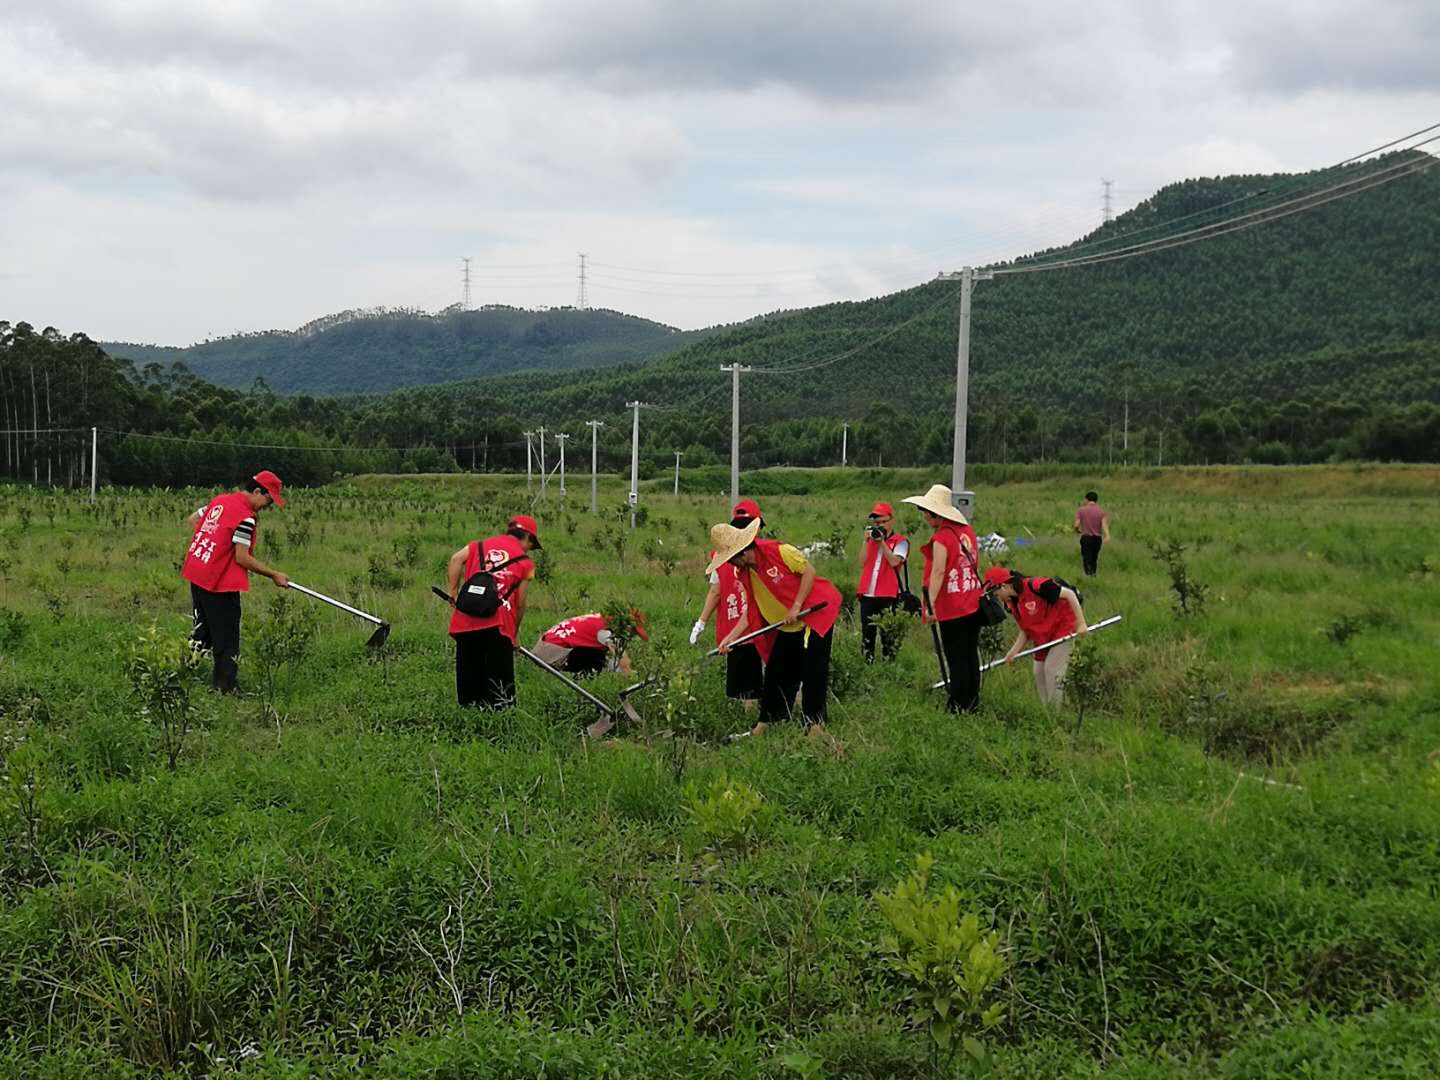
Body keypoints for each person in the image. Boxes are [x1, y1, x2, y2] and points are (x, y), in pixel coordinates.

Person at [708, 518, 842, 734]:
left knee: (812, 671)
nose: (731, 565)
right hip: (787, 625)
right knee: (777, 671)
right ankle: (768, 722)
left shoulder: (780, 552)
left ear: (741, 553)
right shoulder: (745, 573)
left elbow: (809, 572)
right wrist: (731, 637)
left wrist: (796, 606)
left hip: (814, 615)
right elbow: (752, 610)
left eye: (731, 560)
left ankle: (815, 725)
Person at [182, 470, 290, 693]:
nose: (266, 508)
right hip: (219, 582)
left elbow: (193, 519)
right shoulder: (246, 517)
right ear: (258, 491)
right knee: (226, 634)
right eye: (268, 502)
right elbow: (242, 557)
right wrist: (274, 575)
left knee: (202, 628)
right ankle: (225, 687)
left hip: (198, 570)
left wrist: (215, 540)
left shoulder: (220, 500)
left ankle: (184, 673)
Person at [445, 514, 540, 709]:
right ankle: (500, 723)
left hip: (465, 619)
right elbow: (521, 603)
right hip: (498, 624)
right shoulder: (527, 564)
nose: (530, 549)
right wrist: (514, 634)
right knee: (500, 684)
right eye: (532, 544)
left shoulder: (478, 546)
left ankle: (470, 718)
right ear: (528, 538)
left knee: (469, 677)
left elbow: (456, 559)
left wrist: (453, 591)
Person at [903, 483, 983, 713]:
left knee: (956, 658)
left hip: (952, 606)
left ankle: (957, 705)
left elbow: (938, 572)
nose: (924, 516)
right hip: (972, 602)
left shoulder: (942, 539)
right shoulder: (967, 532)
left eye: (925, 512)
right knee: (970, 656)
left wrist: (928, 604)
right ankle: (972, 702)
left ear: (935, 514)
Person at [691, 498, 770, 709]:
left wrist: (702, 621)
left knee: (750, 686)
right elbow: (716, 591)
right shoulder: (760, 551)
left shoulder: (725, 555)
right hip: (755, 627)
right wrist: (701, 622)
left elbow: (715, 591)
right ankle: (766, 721)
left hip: (744, 629)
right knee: (764, 679)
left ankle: (763, 720)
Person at [984, 567, 1088, 706]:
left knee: (1052, 670)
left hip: (1062, 628)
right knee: (1039, 672)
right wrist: (1014, 651)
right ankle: (1048, 715)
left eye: (996, 594)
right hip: (1042, 637)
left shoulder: (1038, 586)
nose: (997, 599)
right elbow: (1025, 629)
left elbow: (1069, 595)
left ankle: (1056, 716)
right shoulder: (1012, 604)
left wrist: (1081, 623)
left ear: (1003, 586)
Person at [856, 500, 909, 663]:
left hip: (888, 594)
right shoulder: (871, 540)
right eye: (877, 523)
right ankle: (868, 664)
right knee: (867, 635)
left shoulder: (901, 541)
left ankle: (888, 665)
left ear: (891, 521)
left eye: (883, 522)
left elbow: (895, 561)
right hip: (868, 593)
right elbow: (862, 562)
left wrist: (882, 543)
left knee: (887, 636)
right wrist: (866, 541)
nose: (880, 526)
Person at [533, 610, 648, 676]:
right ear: (625, 626)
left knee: (600, 652)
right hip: (549, 654)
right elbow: (620, 658)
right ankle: (585, 681)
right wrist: (630, 676)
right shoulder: (606, 630)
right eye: (632, 631)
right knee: (598, 656)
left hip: (541, 648)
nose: (631, 636)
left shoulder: (600, 619)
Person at [1074, 491, 1111, 577]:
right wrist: (1107, 535)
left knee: (1087, 558)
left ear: (1087, 499)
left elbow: (1076, 524)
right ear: (1096, 500)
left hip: (1086, 537)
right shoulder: (1101, 511)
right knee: (1094, 558)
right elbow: (1104, 524)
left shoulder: (1081, 510)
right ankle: (1093, 574)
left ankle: (1088, 575)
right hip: (1097, 538)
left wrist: (1077, 530)